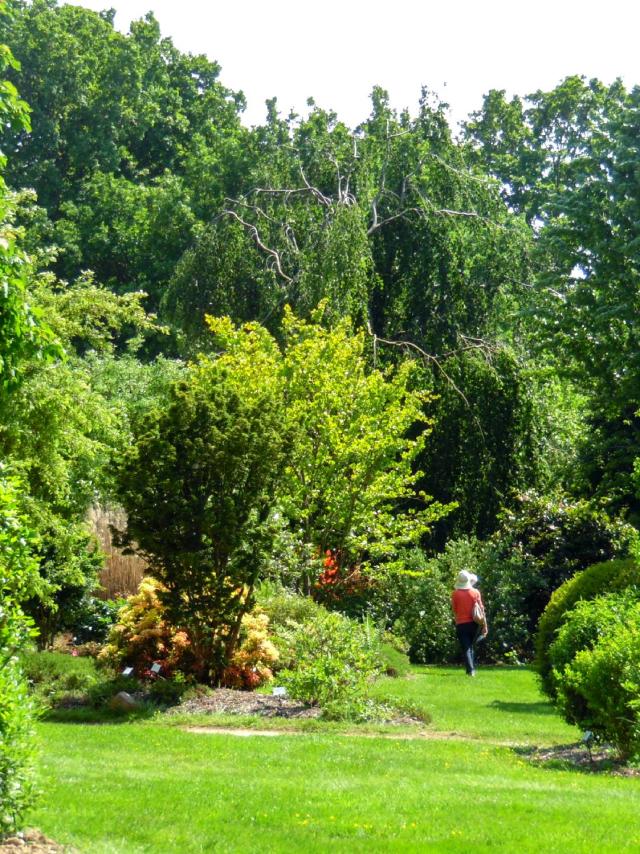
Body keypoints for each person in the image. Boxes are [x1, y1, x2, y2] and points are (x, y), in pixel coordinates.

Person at [451, 569, 487, 676]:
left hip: (461, 624)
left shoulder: (455, 594)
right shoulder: (475, 592)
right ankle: (471, 669)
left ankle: (470, 670)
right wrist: (485, 625)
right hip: (474, 624)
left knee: (466, 647)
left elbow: (454, 609)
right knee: (470, 646)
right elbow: (481, 609)